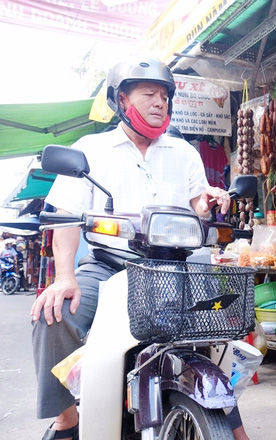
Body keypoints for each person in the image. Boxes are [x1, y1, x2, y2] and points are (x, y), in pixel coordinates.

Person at [30, 57, 250, 440]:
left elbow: (197, 203)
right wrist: (64, 277)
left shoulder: (184, 153)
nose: (159, 102)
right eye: (148, 93)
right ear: (121, 99)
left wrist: (210, 199)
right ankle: (66, 418)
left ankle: (228, 416)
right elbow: (65, 217)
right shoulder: (91, 149)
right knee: (54, 314)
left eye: (164, 95)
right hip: (108, 266)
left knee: (223, 321)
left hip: (172, 269)